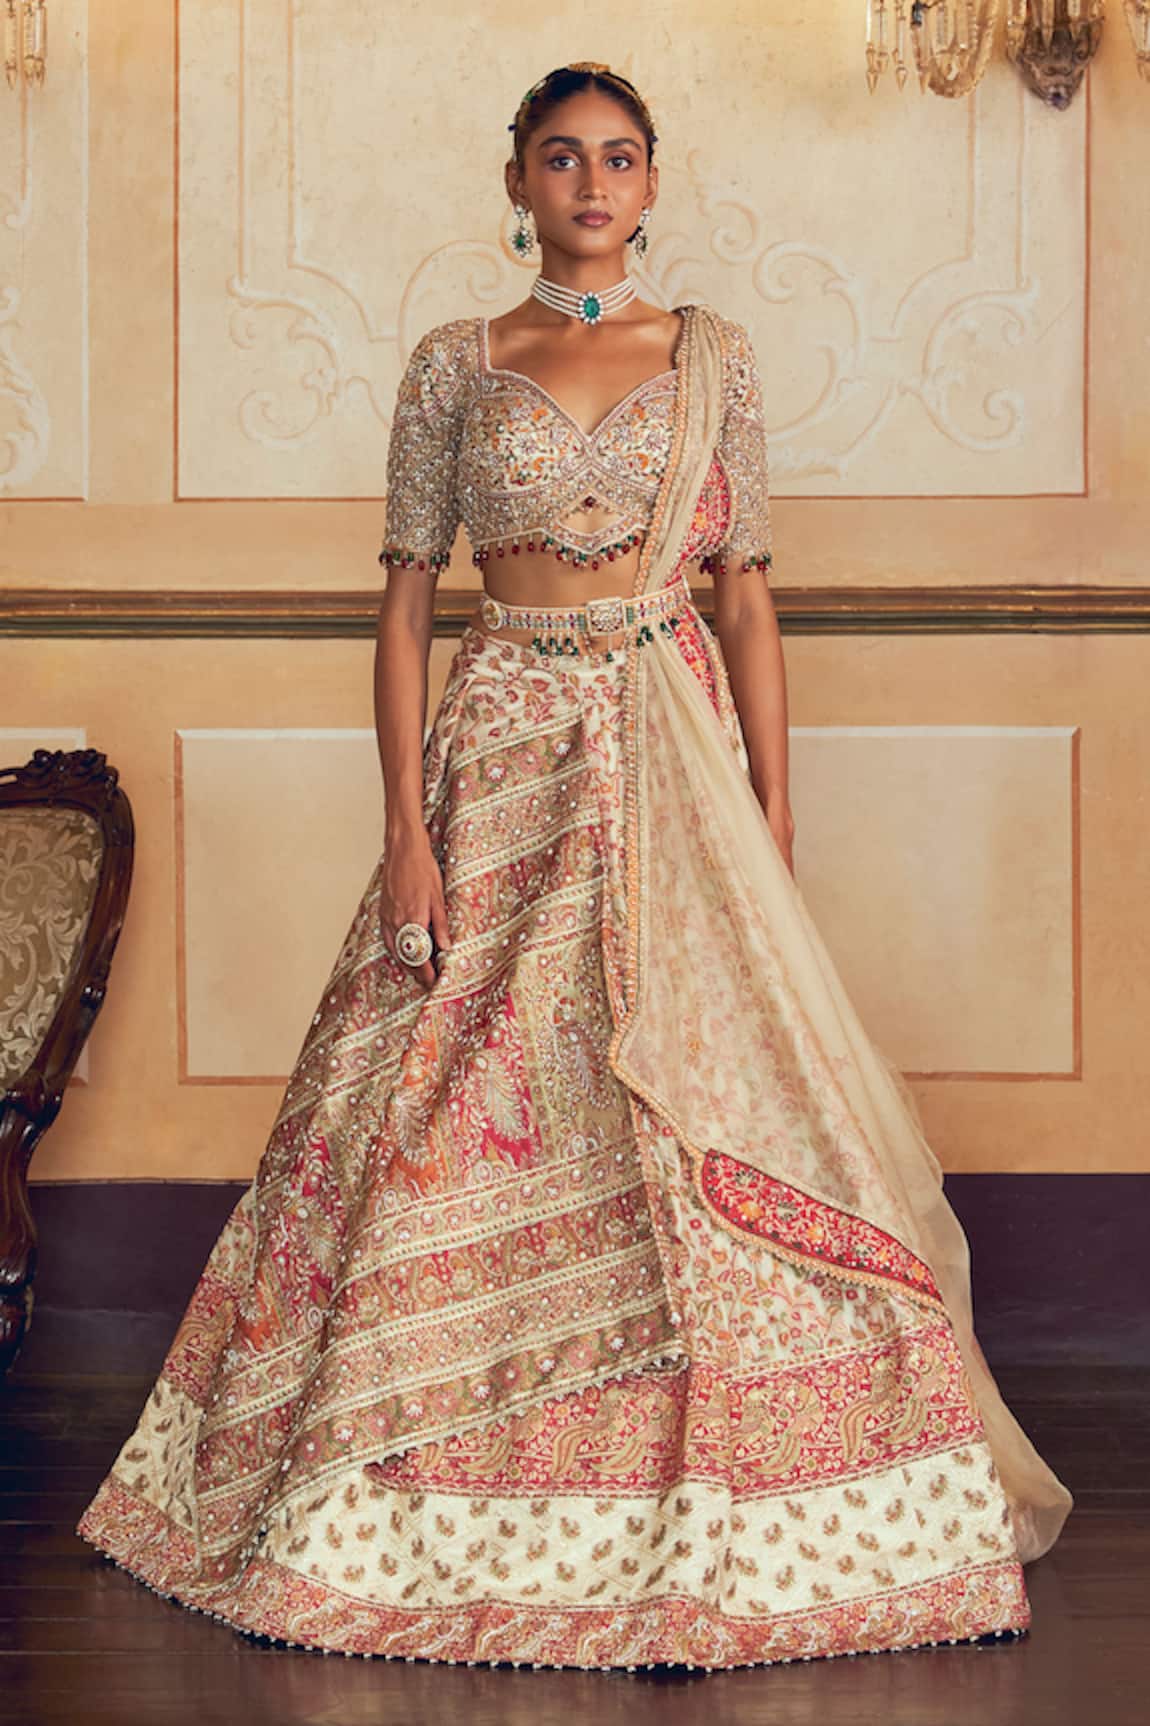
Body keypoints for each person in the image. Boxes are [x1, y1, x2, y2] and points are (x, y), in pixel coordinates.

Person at [76, 60, 1072, 1672]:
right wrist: (406, 829)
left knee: (701, 1099)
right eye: (561, 157)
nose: (592, 183)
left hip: (669, 752)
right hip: (500, 746)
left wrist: (770, 815)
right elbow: (407, 601)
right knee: (446, 1087)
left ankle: (760, 1482)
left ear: (650, 184)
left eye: (618, 158)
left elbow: (745, 594)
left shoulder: (714, 361)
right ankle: (403, 1462)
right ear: (518, 183)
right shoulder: (454, 365)